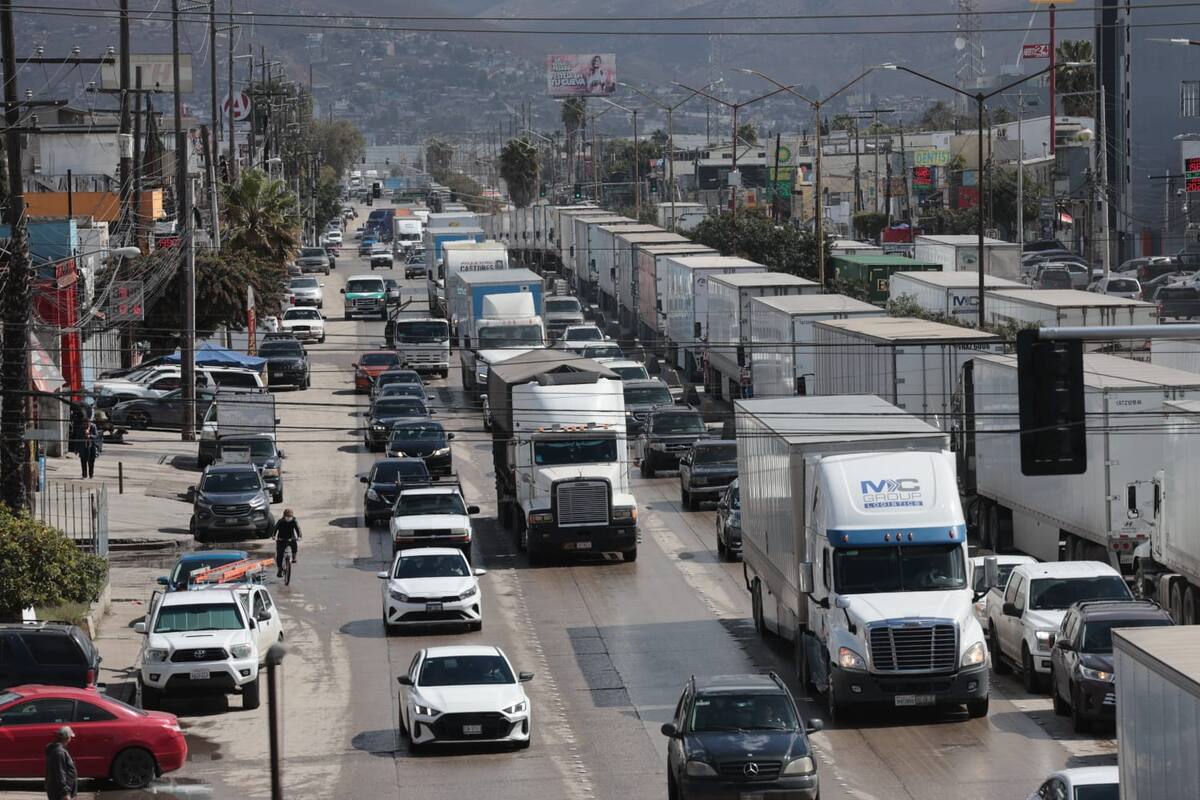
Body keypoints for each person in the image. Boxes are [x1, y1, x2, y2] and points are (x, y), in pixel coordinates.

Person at [44, 726, 77, 800]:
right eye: (70, 737)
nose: (71, 739)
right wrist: (64, 792)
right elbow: (60, 773)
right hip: (59, 793)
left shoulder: (58, 751)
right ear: (67, 738)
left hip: (59, 790)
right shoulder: (59, 753)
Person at [274, 509, 301, 575]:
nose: (288, 518)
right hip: (281, 539)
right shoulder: (280, 521)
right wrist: (273, 536)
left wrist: (299, 536)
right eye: (287, 516)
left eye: (290, 516)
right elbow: (275, 529)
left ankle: (294, 557)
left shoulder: (294, 521)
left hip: (290, 538)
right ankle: (279, 569)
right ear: (284, 516)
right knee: (279, 554)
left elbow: (298, 529)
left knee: (294, 545)